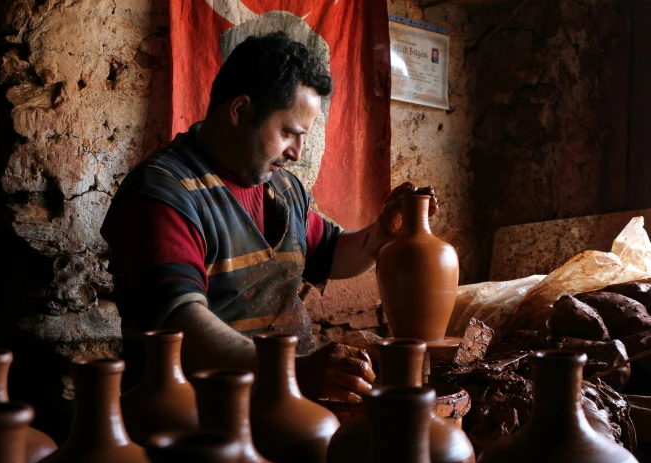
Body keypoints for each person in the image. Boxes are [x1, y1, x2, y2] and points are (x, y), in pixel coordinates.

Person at [101, 32, 438, 402]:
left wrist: (381, 235)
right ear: (240, 111)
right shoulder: (162, 195)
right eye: (289, 133)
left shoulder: (283, 188)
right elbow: (183, 329)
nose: (297, 152)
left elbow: (332, 253)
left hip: (285, 399)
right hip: (197, 417)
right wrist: (295, 372)